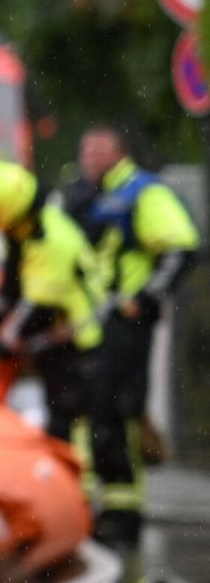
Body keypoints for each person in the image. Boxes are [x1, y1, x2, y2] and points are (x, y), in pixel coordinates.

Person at [72, 123, 200, 548]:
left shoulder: (144, 192)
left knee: (120, 415)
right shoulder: (88, 195)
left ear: (121, 150)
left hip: (127, 326)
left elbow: (182, 247)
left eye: (99, 146)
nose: (89, 154)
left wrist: (145, 299)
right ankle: (107, 509)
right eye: (86, 147)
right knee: (98, 414)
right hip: (98, 325)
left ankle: (126, 516)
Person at [0, 161, 104, 450]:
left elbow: (39, 305)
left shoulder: (51, 239)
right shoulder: (23, 233)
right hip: (57, 337)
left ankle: (75, 482)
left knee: (69, 414)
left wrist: (1, 346)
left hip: (81, 339)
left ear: (6, 214)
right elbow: (12, 285)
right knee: (58, 407)